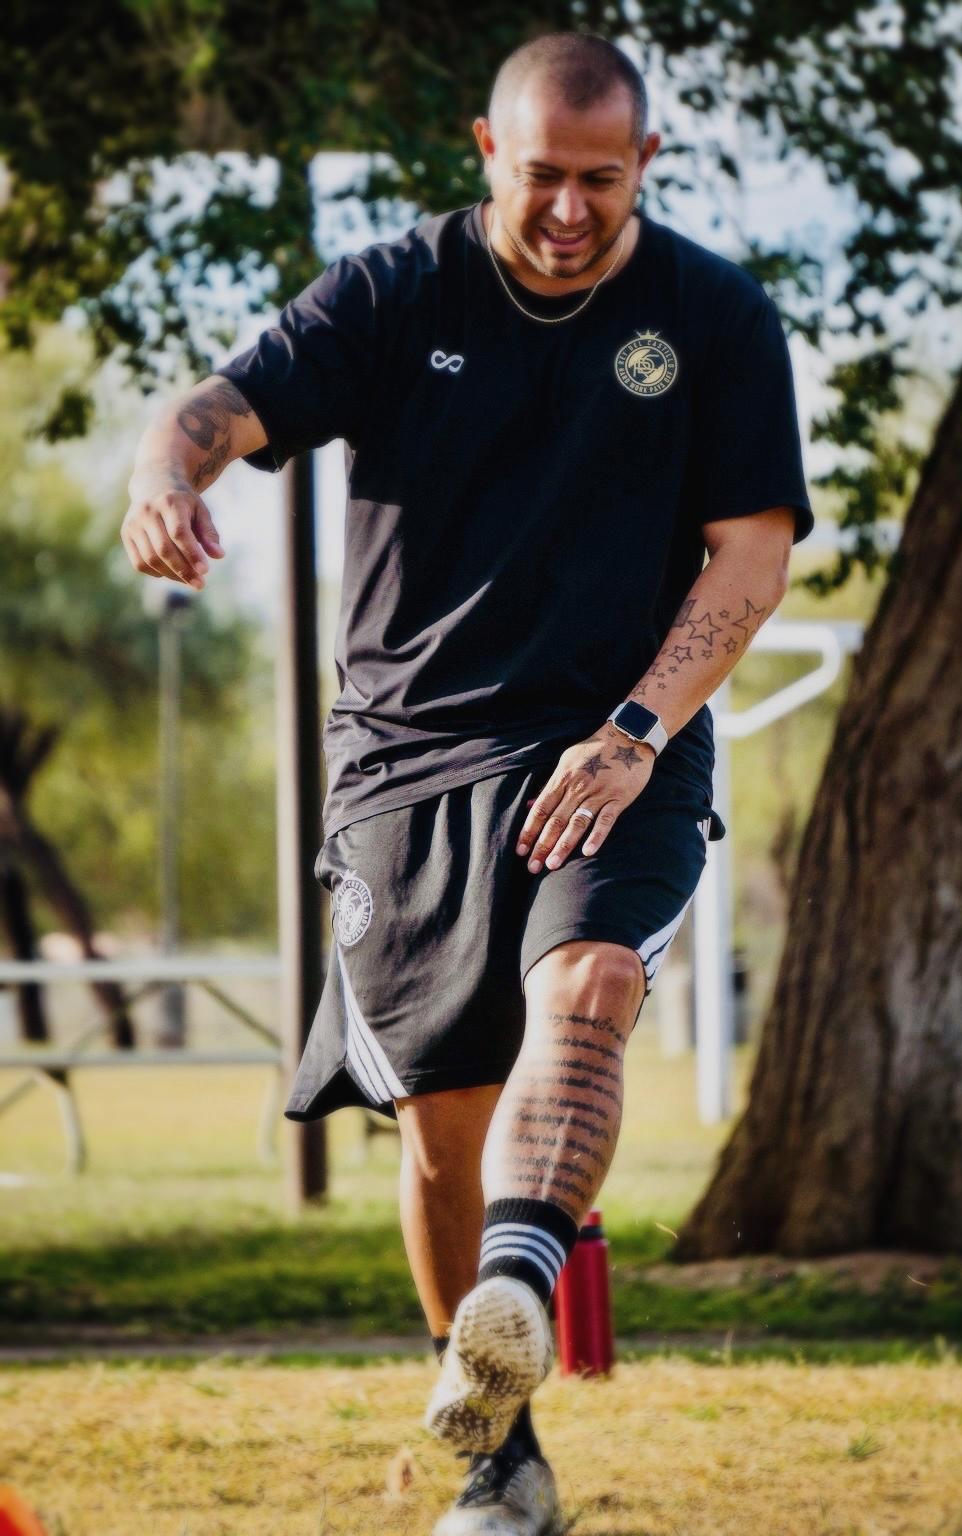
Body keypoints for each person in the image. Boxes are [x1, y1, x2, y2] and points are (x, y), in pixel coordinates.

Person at [122, 30, 813, 1535]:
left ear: (646, 163)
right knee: (443, 1123)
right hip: (406, 750)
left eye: (603, 181)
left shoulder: (713, 314)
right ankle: (507, 1463)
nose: (570, 208)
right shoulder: (390, 293)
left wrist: (634, 732)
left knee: (590, 982)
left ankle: (515, 1286)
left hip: (615, 735)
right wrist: (164, 475)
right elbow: (215, 409)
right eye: (543, 174)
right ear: (488, 153)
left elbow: (752, 557)